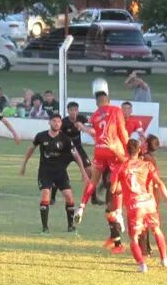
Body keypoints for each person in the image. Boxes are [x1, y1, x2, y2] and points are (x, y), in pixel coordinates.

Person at [75, 78, 129, 254]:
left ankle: (82, 207)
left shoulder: (95, 115)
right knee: (116, 186)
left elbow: (98, 135)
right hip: (115, 152)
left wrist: (84, 129)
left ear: (96, 99)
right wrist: (128, 153)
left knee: (93, 181)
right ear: (108, 96)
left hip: (99, 151)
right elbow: (122, 132)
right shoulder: (116, 110)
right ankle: (119, 215)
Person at [108, 138, 167, 273]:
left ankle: (142, 265)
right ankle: (164, 259)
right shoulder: (147, 165)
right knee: (156, 230)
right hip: (149, 202)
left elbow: (113, 190)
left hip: (135, 205)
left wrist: (120, 187)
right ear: (139, 151)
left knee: (134, 237)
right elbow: (160, 183)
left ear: (127, 151)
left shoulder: (120, 168)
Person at [20, 114, 89, 233]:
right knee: (46, 194)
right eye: (54, 121)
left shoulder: (65, 139)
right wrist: (24, 164)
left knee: (69, 196)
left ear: (61, 123)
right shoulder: (41, 136)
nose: (56, 123)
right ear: (49, 122)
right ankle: (45, 227)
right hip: (45, 171)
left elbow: (76, 155)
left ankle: (70, 226)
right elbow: (31, 149)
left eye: (58, 121)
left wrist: (83, 171)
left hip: (60, 172)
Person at [50, 101, 103, 205]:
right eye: (71, 110)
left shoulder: (81, 118)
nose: (73, 112)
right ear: (68, 111)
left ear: (78, 111)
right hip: (66, 151)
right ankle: (52, 198)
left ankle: (94, 198)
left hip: (78, 149)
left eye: (75, 110)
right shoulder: (63, 122)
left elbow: (92, 122)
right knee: (58, 172)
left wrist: (89, 125)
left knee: (90, 172)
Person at [138, 134, 162, 256]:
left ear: (146, 144)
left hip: (147, 194)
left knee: (144, 222)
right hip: (153, 194)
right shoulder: (150, 157)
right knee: (150, 223)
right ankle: (147, 247)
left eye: (143, 141)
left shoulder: (145, 158)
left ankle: (144, 249)